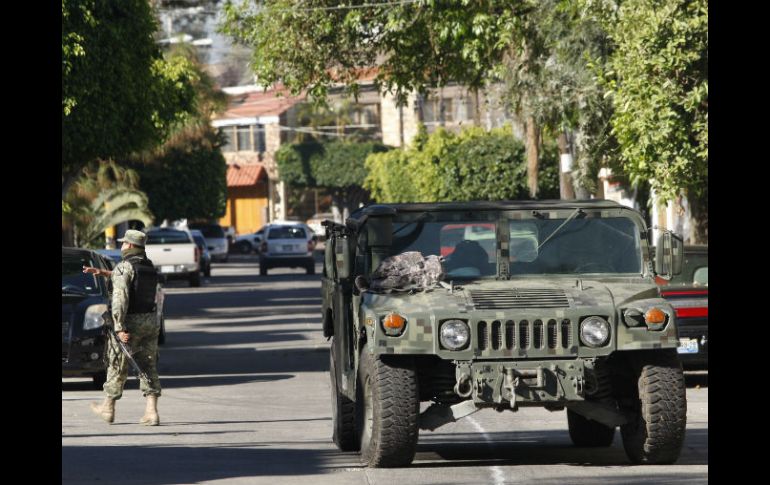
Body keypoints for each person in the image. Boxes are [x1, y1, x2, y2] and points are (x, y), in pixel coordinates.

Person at [83, 229, 162, 426]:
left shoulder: (124, 266)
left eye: (124, 243)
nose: (121, 246)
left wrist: (119, 327)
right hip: (150, 323)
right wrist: (105, 273)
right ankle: (152, 412)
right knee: (148, 365)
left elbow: (120, 299)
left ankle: (107, 408)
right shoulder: (148, 267)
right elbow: (134, 282)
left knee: (118, 364)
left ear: (129, 245)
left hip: (130, 323)